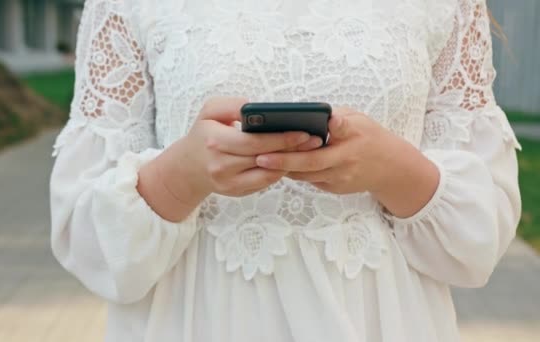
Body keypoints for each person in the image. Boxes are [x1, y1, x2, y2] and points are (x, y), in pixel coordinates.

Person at [49, 0, 522, 340]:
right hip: (197, 317)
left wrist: (392, 168)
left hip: (380, 318)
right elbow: (89, 240)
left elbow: (476, 239)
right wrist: (181, 176)